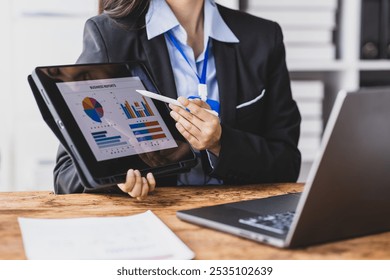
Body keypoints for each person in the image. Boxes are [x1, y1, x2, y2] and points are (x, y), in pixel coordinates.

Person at [54, 0, 301, 199]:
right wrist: (115, 179)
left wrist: (221, 142)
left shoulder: (262, 37)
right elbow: (66, 176)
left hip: (239, 214)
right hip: (155, 218)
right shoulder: (110, 35)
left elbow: (287, 164)